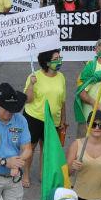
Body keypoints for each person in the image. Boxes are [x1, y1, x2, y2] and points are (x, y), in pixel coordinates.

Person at [23, 49, 67, 188]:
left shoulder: (61, 77)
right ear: (47, 62)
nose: (59, 60)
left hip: (52, 120)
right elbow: (28, 100)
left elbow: (62, 101)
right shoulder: (34, 76)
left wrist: (63, 120)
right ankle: (25, 174)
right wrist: (31, 84)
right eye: (56, 58)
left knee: (46, 149)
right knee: (31, 148)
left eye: (60, 57)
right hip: (34, 118)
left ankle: (43, 174)